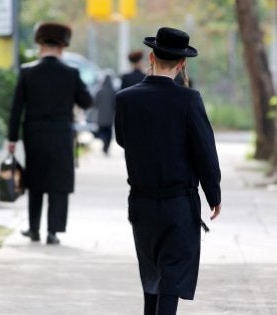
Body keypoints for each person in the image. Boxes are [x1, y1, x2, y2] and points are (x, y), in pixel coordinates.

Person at [114, 27, 221, 315]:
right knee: (172, 276)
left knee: (151, 275)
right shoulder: (188, 100)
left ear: (152, 56)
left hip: (141, 201)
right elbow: (205, 152)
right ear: (182, 63)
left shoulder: (125, 99)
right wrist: (214, 193)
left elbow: (122, 140)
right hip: (178, 202)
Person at [8, 22, 92, 245]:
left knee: (35, 181)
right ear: (62, 47)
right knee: (58, 182)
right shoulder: (71, 73)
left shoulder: (27, 72)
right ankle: (53, 232)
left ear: (40, 45)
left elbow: (17, 108)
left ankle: (34, 229)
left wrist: (12, 139)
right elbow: (87, 100)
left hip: (34, 134)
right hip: (61, 135)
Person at [94, 72, 116, 155]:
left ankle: (104, 145)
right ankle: (106, 147)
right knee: (108, 133)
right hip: (110, 117)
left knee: (102, 131)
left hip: (101, 117)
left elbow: (95, 103)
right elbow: (115, 104)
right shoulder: (113, 92)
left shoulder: (99, 91)